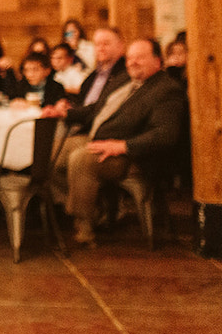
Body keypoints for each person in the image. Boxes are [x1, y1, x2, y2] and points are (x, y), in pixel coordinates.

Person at [44, 38, 185, 247]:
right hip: (99, 139)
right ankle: (95, 211)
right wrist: (64, 113)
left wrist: (122, 146)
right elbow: (95, 109)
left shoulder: (166, 89)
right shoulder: (123, 80)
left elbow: (165, 134)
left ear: (157, 61)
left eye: (140, 57)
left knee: (80, 159)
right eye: (130, 58)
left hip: (133, 155)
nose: (132, 62)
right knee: (46, 153)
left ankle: (84, 228)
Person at [76, 27, 129, 109]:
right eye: (97, 45)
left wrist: (70, 113)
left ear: (120, 46)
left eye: (106, 44)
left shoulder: (126, 74)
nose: (101, 49)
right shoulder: (92, 76)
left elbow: (102, 108)